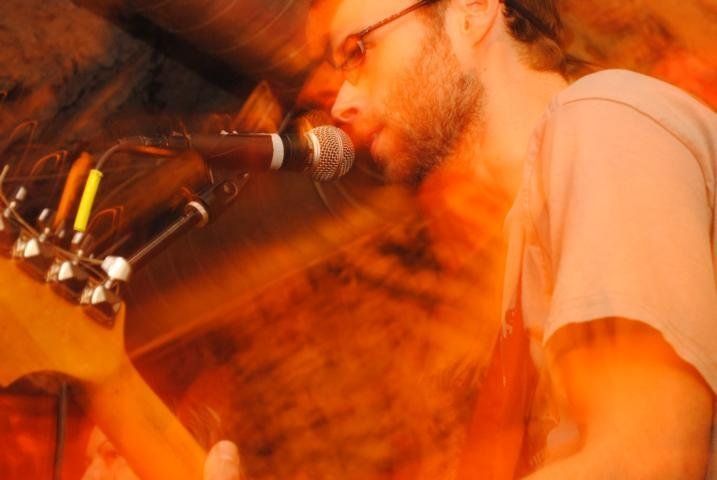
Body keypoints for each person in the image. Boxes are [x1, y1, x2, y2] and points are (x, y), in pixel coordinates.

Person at [206, 0, 717, 478]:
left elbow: (650, 458)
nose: (342, 103)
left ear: (474, 11)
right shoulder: (524, 250)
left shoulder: (601, 117)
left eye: (358, 51)